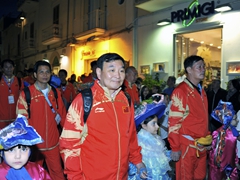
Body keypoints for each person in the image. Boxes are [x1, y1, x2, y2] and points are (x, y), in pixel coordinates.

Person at [59, 53, 147, 179]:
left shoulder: (126, 100)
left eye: (121, 71)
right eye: (111, 70)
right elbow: (68, 144)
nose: (117, 75)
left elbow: (131, 135)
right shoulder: (84, 100)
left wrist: (138, 161)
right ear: (99, 73)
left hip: (121, 175)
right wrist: (75, 176)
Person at [16, 60, 66, 180]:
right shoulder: (26, 93)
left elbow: (63, 116)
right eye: (41, 72)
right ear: (35, 75)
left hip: (53, 144)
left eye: (47, 72)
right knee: (33, 175)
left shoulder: (55, 92)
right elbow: (21, 121)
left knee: (58, 173)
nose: (44, 75)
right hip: (35, 145)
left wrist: (67, 138)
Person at [168, 55, 212, 179]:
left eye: (203, 67)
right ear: (189, 70)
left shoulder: (202, 90)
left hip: (201, 145)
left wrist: (207, 136)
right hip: (187, 146)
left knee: (200, 176)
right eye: (199, 67)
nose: (203, 69)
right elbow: (173, 122)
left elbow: (203, 118)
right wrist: (175, 147)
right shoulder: (181, 91)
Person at [129, 94, 171, 179]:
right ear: (143, 125)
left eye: (157, 123)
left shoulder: (155, 139)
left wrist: (167, 154)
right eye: (153, 124)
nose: (157, 126)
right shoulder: (139, 142)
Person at [0, 114, 51, 179]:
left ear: (30, 151)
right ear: (2, 153)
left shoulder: (38, 171)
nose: (18, 156)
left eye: (23, 149)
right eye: (11, 150)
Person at [208, 100, 239, 180]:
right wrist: (215, 166)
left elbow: (234, 150)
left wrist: (236, 162)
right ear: (228, 119)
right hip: (218, 169)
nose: (237, 120)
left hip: (230, 168)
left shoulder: (233, 133)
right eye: (235, 118)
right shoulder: (218, 133)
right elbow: (214, 152)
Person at [0, 59, 24, 129]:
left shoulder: (19, 81)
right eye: (6, 67)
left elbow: (22, 98)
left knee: (15, 138)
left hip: (15, 117)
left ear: (13, 68)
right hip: (1, 118)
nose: (9, 69)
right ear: (2, 68)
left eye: (10, 67)